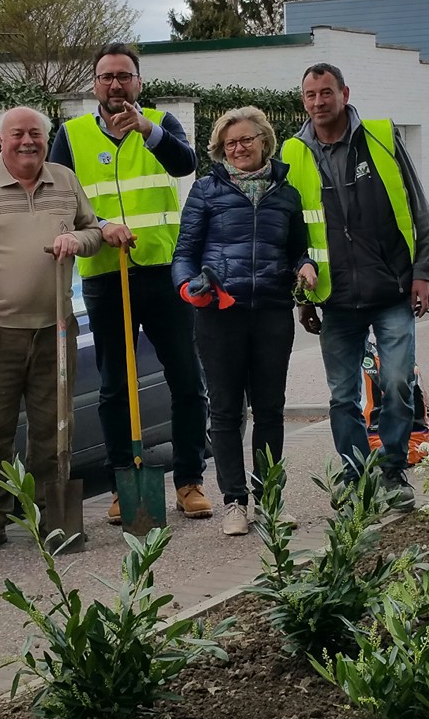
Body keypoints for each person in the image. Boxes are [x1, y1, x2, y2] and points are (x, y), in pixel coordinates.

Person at [48, 42, 212, 524]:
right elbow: (61, 199)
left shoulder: (162, 125)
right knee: (116, 386)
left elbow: (186, 165)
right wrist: (99, 227)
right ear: (94, 84)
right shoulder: (72, 135)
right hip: (105, 274)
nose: (115, 84)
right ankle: (125, 480)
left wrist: (149, 130)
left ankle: (189, 480)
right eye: (106, 77)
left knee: (186, 377)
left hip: (165, 271)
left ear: (138, 83)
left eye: (124, 76)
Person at [0, 106, 102, 556]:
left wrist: (79, 240)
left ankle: (49, 516)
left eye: (35, 133)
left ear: (45, 137)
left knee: (54, 428)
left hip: (56, 328)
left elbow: (93, 230)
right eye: (18, 134)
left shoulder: (64, 181)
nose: (28, 141)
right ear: (2, 139)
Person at [280, 63, 429, 511]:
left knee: (397, 380)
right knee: (342, 395)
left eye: (325, 93)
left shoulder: (382, 138)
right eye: (309, 95)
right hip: (335, 298)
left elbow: (417, 207)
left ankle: (391, 470)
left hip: (392, 290)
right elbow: (296, 233)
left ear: (344, 93)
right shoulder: (293, 153)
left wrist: (423, 272)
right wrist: (302, 299)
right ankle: (354, 475)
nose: (317, 102)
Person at [172, 107, 317, 536]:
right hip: (219, 313)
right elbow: (183, 254)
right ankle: (235, 502)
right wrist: (188, 287)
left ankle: (270, 500)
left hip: (272, 311)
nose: (239, 148)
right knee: (225, 411)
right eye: (230, 143)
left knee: (270, 410)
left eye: (246, 140)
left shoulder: (286, 194)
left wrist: (305, 264)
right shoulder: (205, 192)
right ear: (221, 149)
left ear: (263, 141)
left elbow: (298, 249)